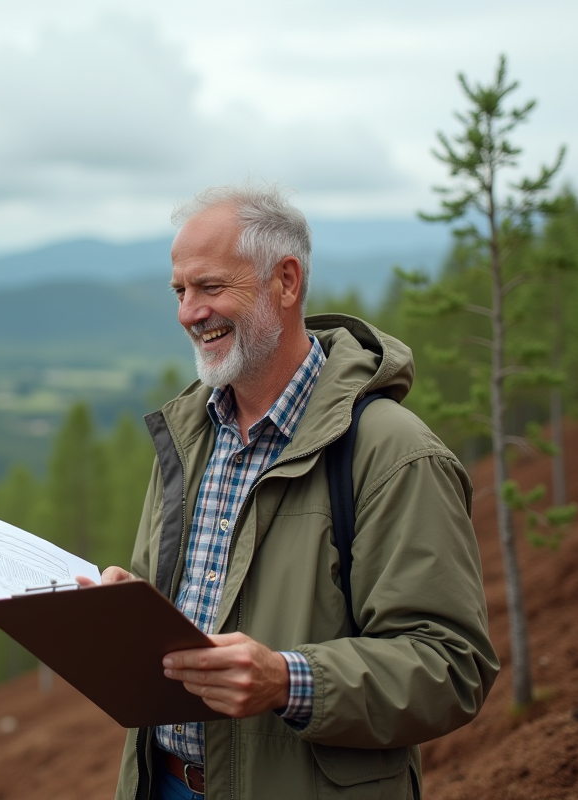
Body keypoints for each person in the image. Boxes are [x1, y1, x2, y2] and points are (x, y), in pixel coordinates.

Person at [99, 184, 500, 799]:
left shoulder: (393, 453)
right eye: (179, 292)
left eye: (210, 287)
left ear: (286, 282)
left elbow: (451, 665)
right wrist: (132, 610)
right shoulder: (188, 436)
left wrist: (288, 680)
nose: (189, 313)